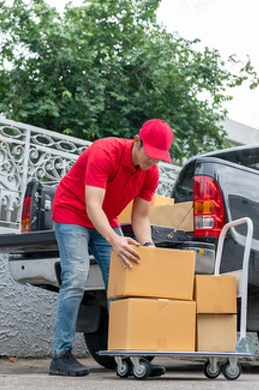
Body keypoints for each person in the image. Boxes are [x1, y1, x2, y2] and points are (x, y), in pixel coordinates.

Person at [48, 119, 174, 377]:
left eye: (159, 158)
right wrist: (115, 241)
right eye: (150, 155)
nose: (153, 162)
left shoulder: (151, 173)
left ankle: (130, 354)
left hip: (106, 219)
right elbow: (93, 204)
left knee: (124, 283)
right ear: (137, 142)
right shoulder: (104, 151)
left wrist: (148, 246)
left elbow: (140, 217)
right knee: (76, 278)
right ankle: (61, 355)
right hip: (72, 213)